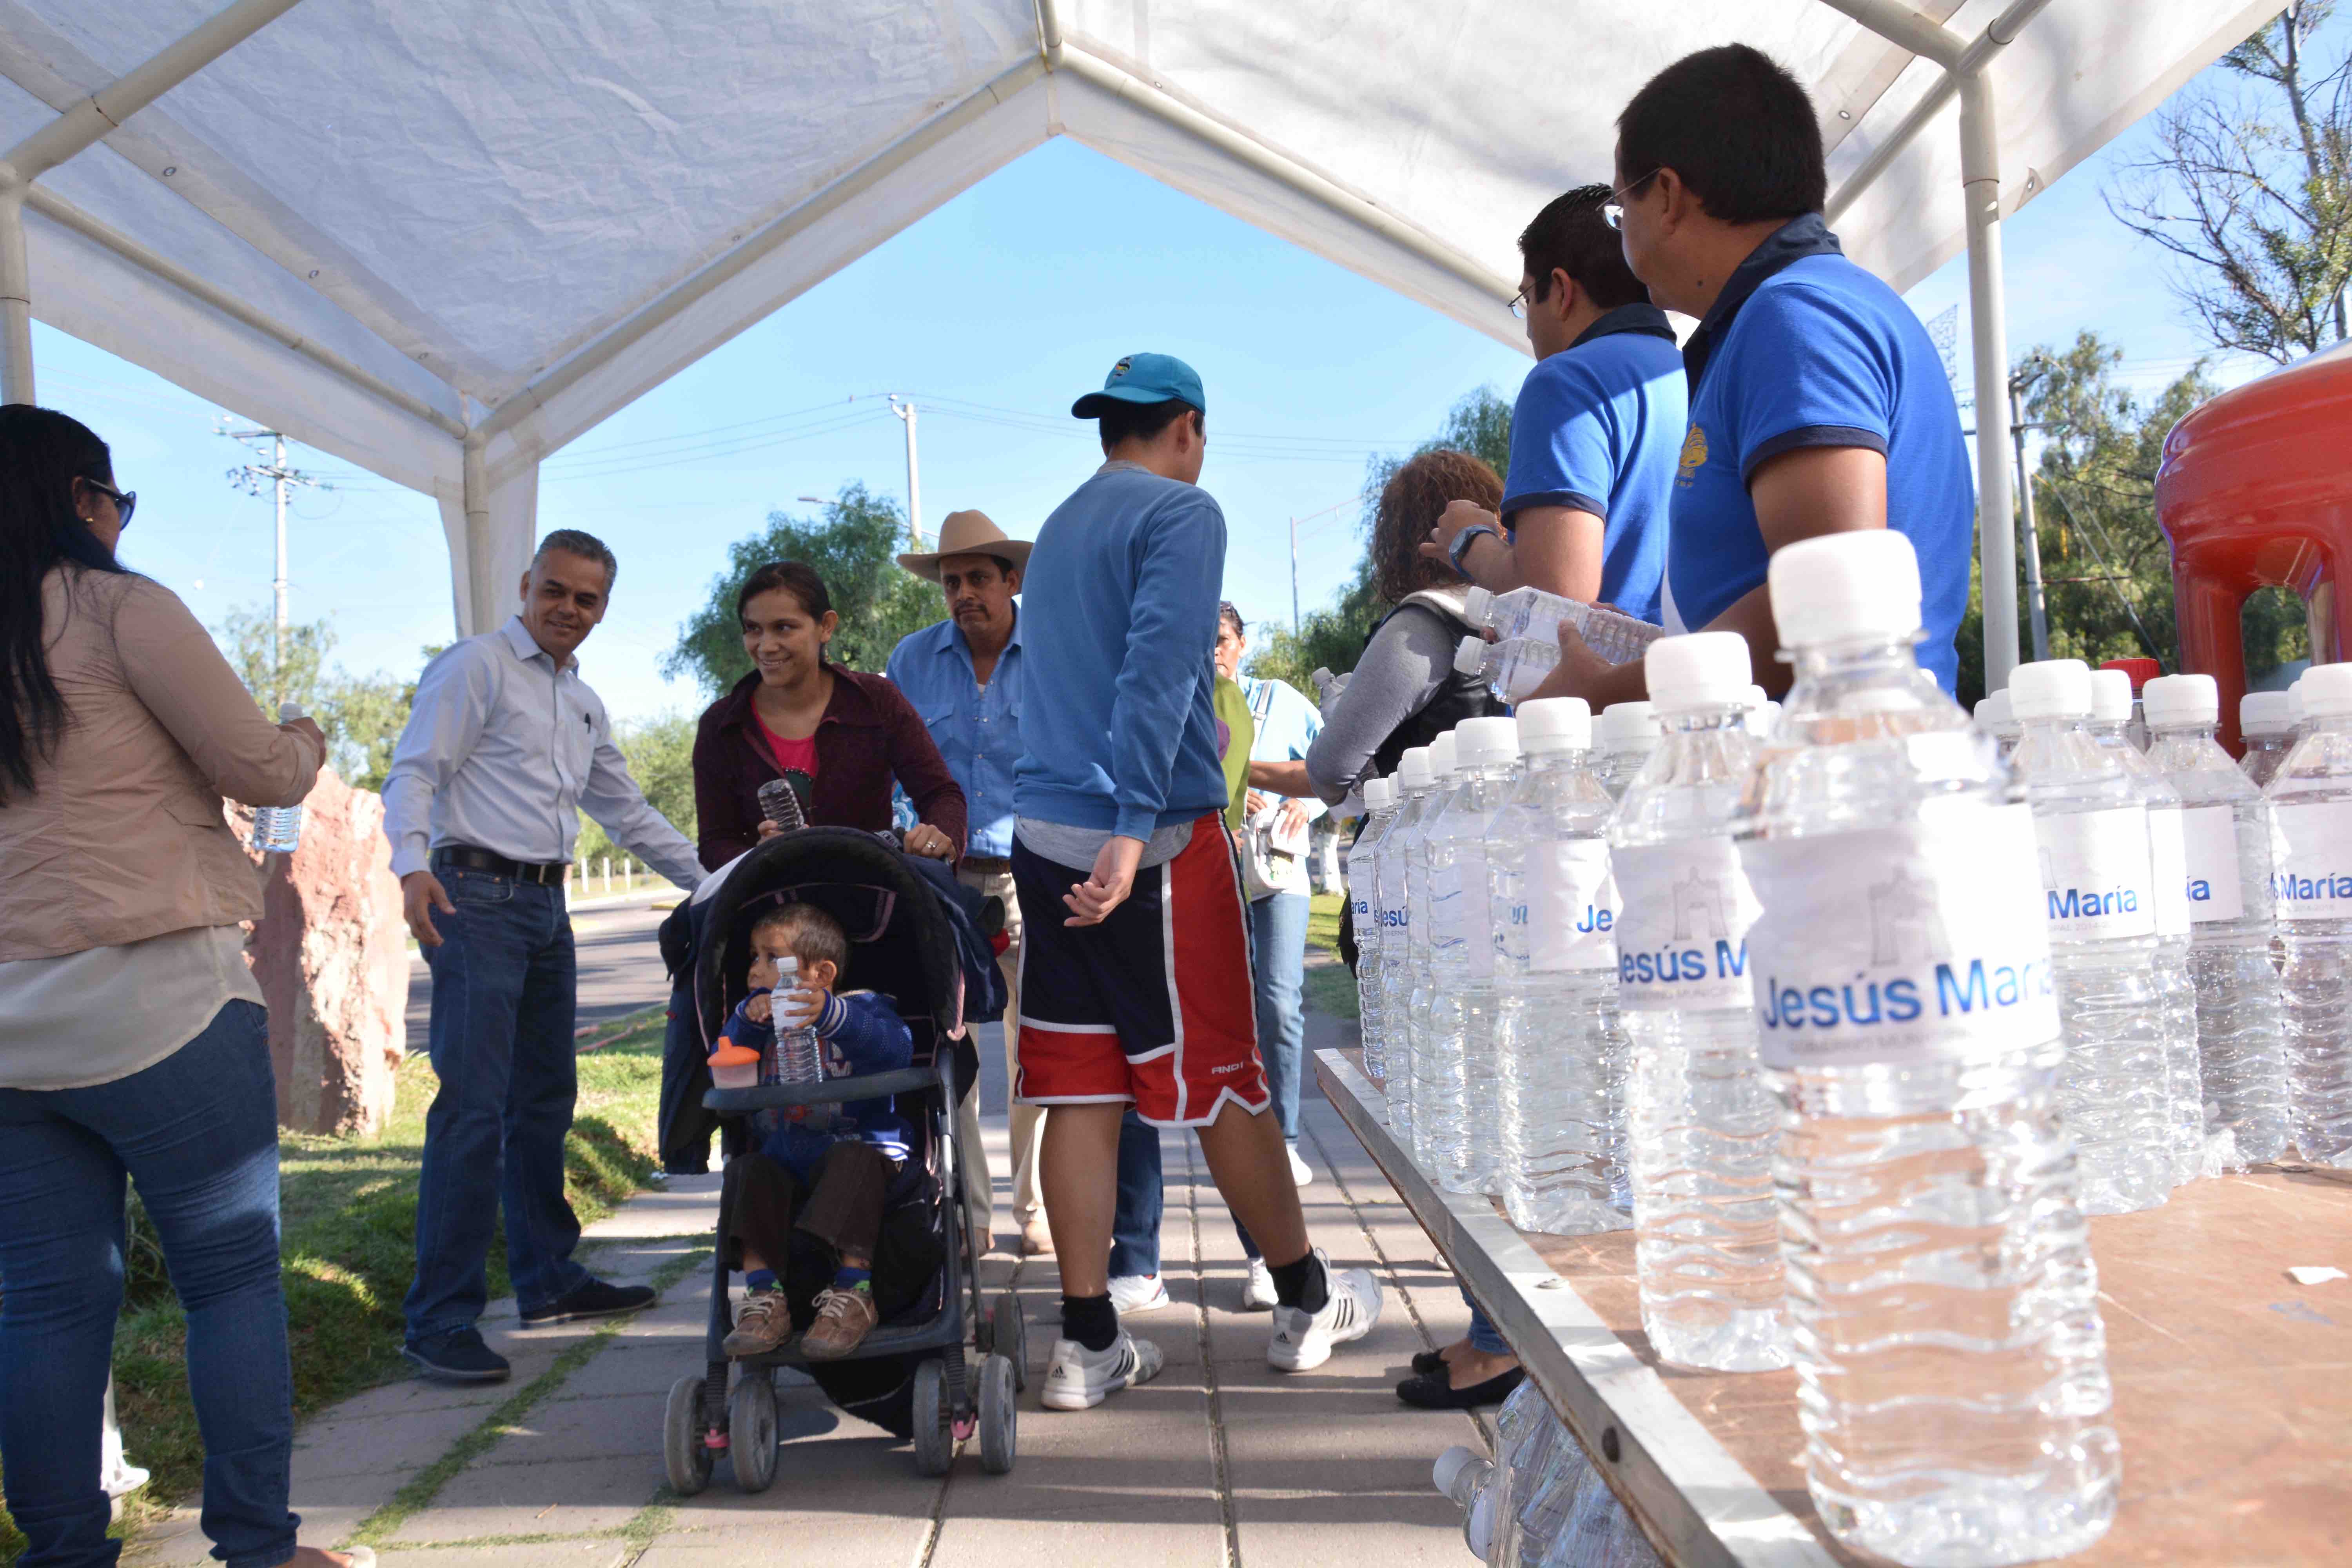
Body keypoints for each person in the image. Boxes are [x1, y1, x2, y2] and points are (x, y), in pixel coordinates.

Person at [0, 406, 363, 1567]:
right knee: (230, 1279)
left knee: (46, 1306)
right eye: (114, 500)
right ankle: (258, 1549)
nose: (118, 521)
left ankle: (63, 1557)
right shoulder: (119, 606)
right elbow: (254, 764)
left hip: (8, 1031)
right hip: (163, 999)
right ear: (81, 499)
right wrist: (304, 733)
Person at [1014, 351, 1384, 1412]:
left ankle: (1088, 1342)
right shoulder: (1184, 515)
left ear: (1107, 430)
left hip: (1047, 838)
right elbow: (1162, 672)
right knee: (1224, 1074)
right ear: (1187, 429)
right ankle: (1306, 1297)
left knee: (1080, 1083)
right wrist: (1134, 830)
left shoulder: (1062, 528)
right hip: (1155, 842)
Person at [1525, 43, 1973, 709]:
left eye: (1624, 209)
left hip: (1835, 783)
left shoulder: (1795, 319)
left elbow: (1832, 605)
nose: (1623, 234)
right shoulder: (1807, 309)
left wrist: (1604, 690)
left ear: (1669, 196)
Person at [385, 528, 710, 1383]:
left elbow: (629, 813)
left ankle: (548, 1280)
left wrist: (716, 883)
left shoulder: (584, 700)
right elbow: (414, 771)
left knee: (542, 1103)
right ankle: (439, 1317)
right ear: (526, 584)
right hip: (473, 897)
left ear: (604, 608)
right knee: (473, 1110)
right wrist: (411, 864)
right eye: (555, 591)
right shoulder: (475, 667)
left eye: (587, 598)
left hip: (545, 905)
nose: (568, 609)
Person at [1298, 450, 1526, 1411]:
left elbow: (1334, 762)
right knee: (1511, 1119)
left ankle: (1496, 1336)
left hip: (1426, 904)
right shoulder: (1521, 615)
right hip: (1520, 892)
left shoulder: (1420, 625)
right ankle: (1502, 1323)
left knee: (1451, 1127)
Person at [884, 512, 1047, 1257]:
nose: (964, 593)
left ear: (1012, 582)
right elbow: (896, 772)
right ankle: (971, 1214)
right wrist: (906, 831)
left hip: (1035, 872)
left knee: (1036, 1047)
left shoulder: (1053, 652)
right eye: (952, 582)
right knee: (955, 1044)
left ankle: (1036, 1203)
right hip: (944, 881)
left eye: (979, 578)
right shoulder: (912, 661)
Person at [1421, 184, 1685, 618]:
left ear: (1561, 290)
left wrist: (1469, 541)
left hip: (1615, 684)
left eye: (1526, 298)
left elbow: (1558, 592)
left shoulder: (1566, 381)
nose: (1527, 328)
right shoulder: (1695, 370)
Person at [716, 903, 913, 1362]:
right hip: (784, 1161)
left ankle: (853, 1292)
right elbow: (722, 1058)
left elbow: (897, 1048)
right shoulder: (757, 1024)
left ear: (821, 973)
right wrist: (746, 1022)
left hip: (858, 1155)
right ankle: (765, 1300)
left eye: (771, 959)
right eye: (753, 957)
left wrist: (832, 1016)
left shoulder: (862, 1009)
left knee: (856, 1158)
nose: (755, 971)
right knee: (748, 1169)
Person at [693, 559, 966, 869]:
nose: (766, 646)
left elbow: (942, 794)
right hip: (772, 909)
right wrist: (758, 858)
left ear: (826, 626)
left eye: (784, 627)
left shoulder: (876, 700)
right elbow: (715, 843)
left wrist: (939, 840)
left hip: (875, 898)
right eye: (753, 629)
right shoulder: (721, 725)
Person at [1217, 605, 1327, 1193]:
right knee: (1231, 1011)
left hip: (1278, 875)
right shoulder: (1185, 703)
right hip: (1211, 877)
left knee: (1280, 1002)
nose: (1213, 652)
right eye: (1202, 642)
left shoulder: (1280, 700)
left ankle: (1284, 1141)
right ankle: (1241, 1140)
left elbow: (1337, 764)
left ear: (1241, 644)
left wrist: (1301, 804)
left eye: (1223, 640)